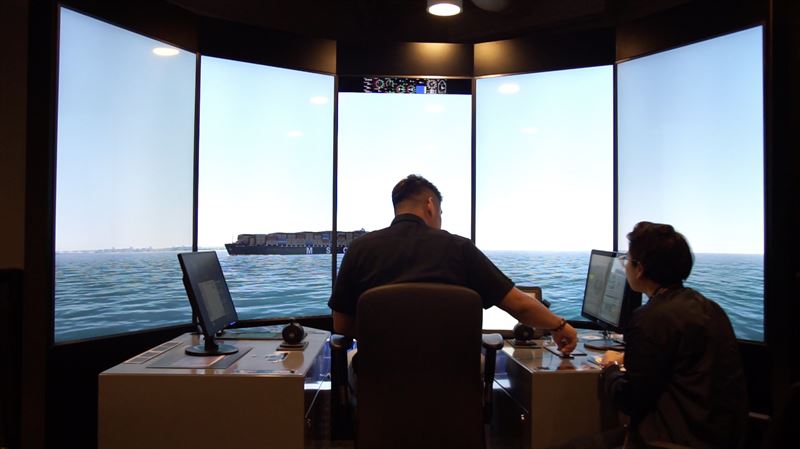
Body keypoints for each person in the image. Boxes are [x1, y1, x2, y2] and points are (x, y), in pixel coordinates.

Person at [328, 174, 577, 353]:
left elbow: (341, 326)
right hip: (454, 388)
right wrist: (560, 325)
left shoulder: (360, 249)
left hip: (378, 389)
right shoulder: (459, 248)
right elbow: (520, 306)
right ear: (430, 205)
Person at [596, 221, 748, 449]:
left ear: (640, 268)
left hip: (668, 441)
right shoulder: (711, 309)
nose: (625, 265)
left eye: (627, 259)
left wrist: (610, 370)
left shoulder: (650, 318)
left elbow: (631, 400)